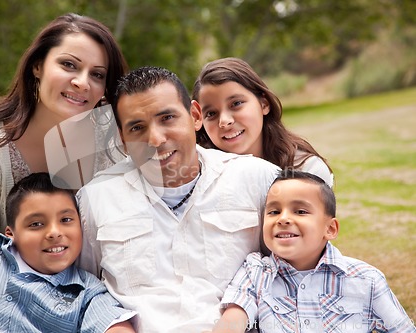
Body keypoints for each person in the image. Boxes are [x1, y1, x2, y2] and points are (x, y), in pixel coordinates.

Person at [76, 66, 281, 332]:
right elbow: (84, 287)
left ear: (195, 116)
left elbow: (295, 269)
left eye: (167, 118)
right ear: (123, 140)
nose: (156, 139)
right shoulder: (96, 198)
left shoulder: (257, 179)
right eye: (137, 128)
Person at [0, 13, 128, 249]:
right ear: (37, 66)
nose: (83, 82)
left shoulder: (116, 142)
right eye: (69, 65)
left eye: (97, 74)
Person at [212, 170, 415, 333]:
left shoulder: (366, 279)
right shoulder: (255, 271)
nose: (283, 219)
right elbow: (233, 318)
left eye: (300, 211)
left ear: (330, 229)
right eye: (274, 212)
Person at [0, 172, 136, 332]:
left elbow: (110, 321)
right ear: (11, 233)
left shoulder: (86, 292)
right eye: (36, 224)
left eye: (65, 220)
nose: (54, 233)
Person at [191, 57, 334, 187]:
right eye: (211, 113)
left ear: (264, 104)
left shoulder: (307, 170)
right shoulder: (197, 177)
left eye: (236, 104)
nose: (224, 121)